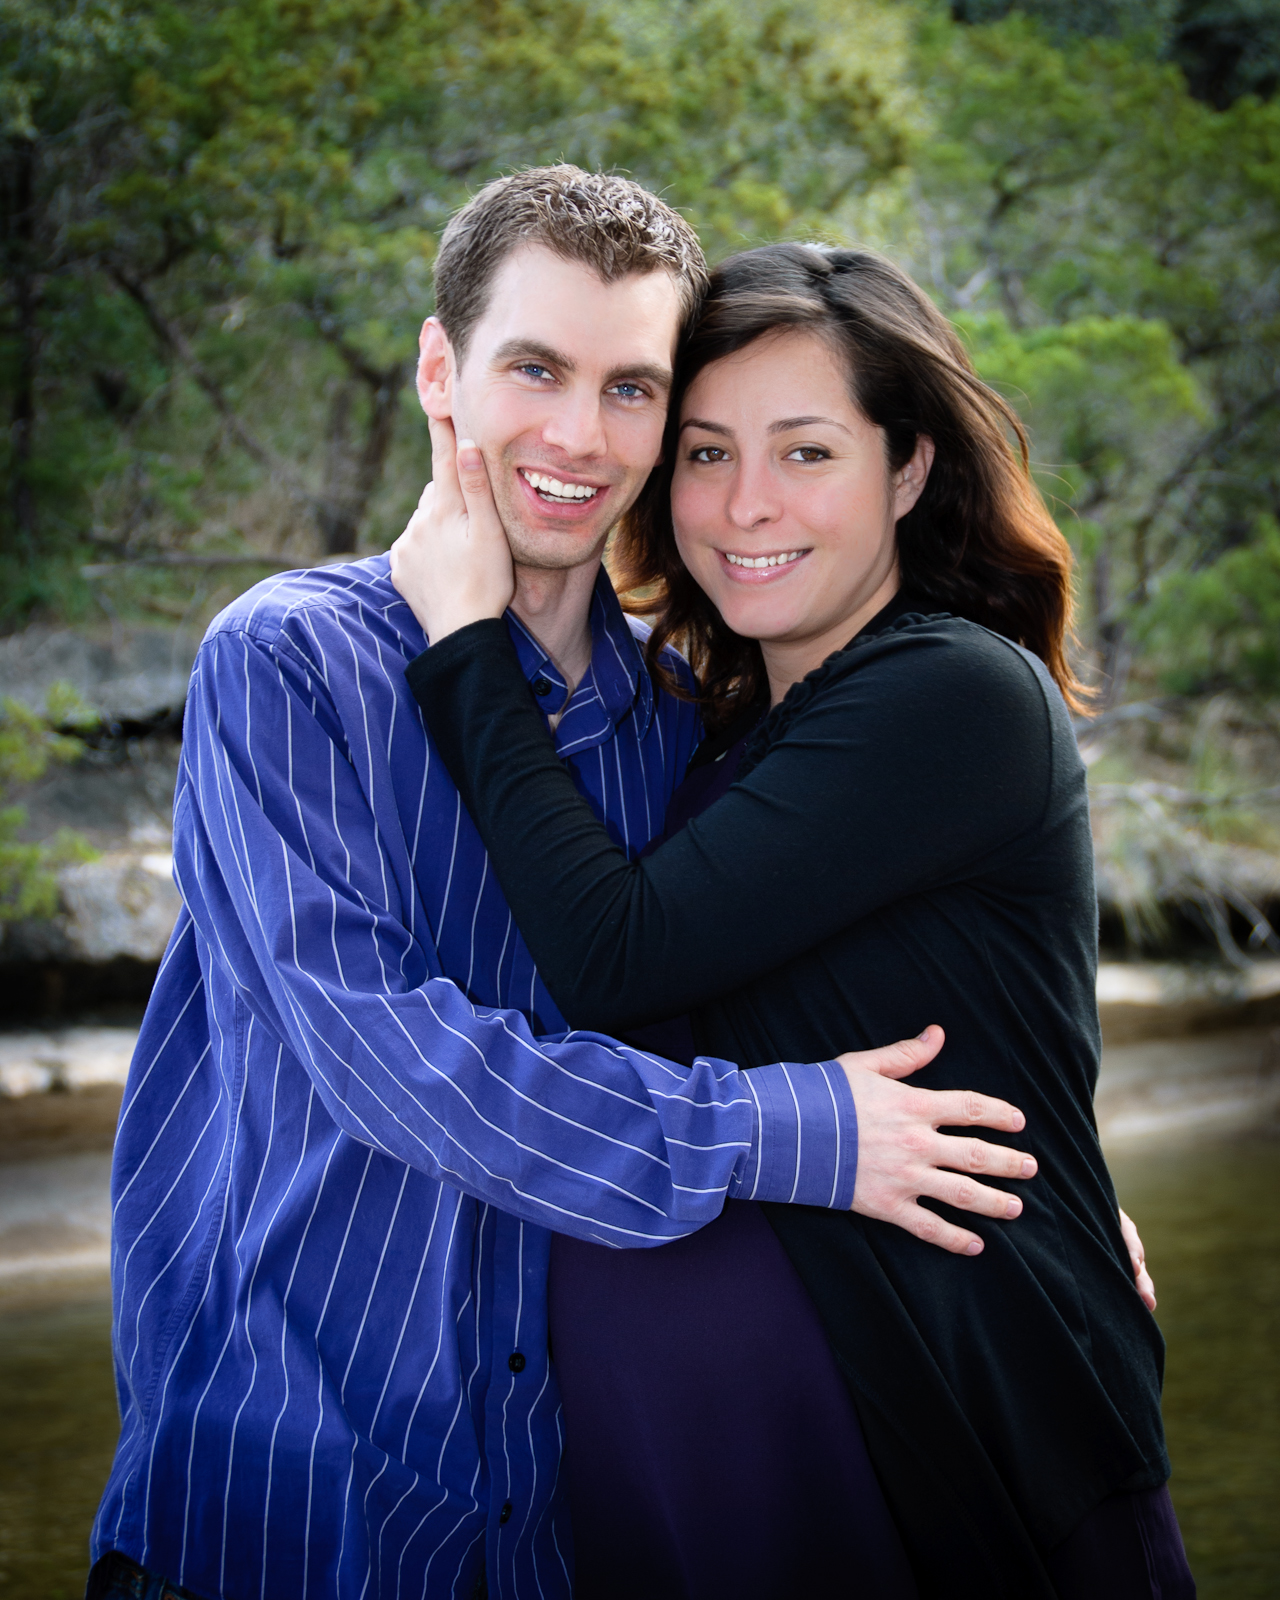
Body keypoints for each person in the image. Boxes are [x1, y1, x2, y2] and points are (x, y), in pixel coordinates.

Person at [87, 174, 1043, 1600]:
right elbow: (389, 1060)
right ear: (438, 371)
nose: (579, 438)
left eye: (632, 389)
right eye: (534, 368)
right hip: (272, 1517)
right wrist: (779, 1134)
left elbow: (840, 992)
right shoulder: (290, 662)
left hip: (550, 1533)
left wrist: (1053, 1209)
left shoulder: (679, 719)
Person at [391, 242, 1191, 1599]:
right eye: (704, 453)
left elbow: (616, 952)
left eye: (806, 453)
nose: (745, 505)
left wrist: (463, 646)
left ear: (911, 468)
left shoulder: (955, 693)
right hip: (712, 1483)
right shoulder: (716, 731)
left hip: (958, 1449)